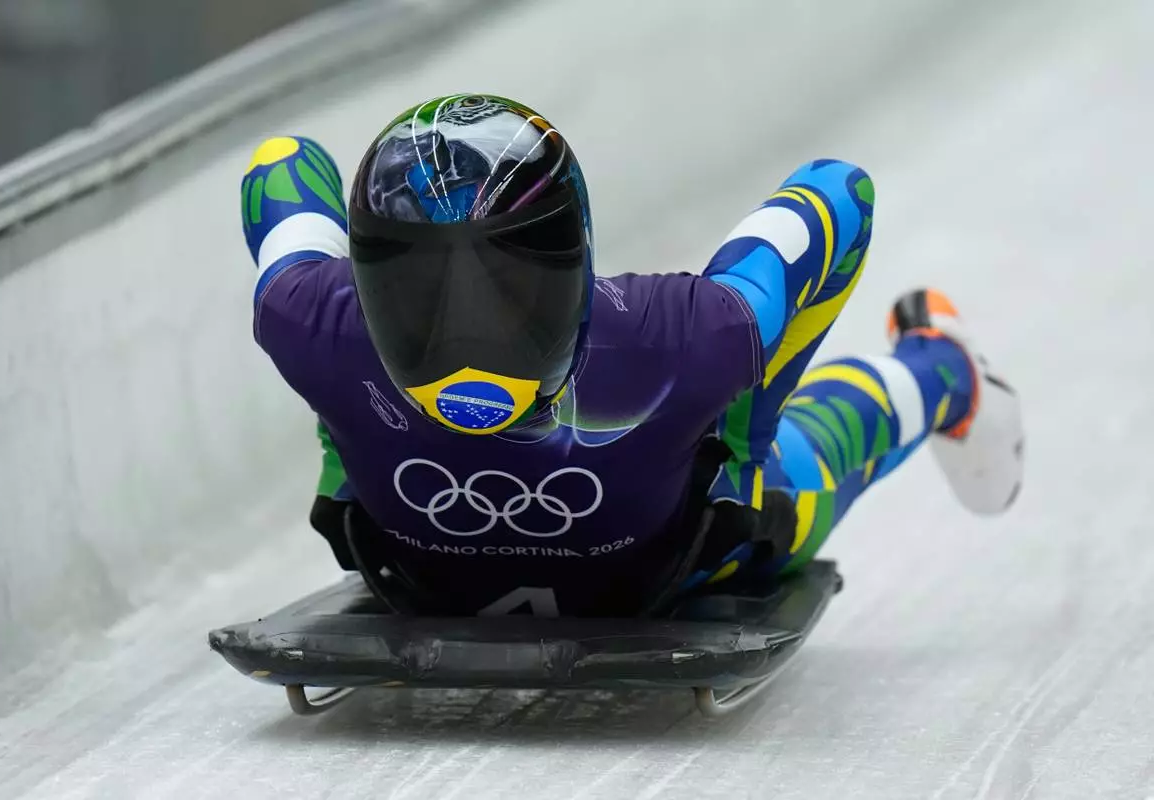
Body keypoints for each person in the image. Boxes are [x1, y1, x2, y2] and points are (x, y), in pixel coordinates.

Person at [239, 94, 1024, 618]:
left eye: (505, 286)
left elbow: (280, 159)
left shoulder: (310, 319)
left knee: (821, 449)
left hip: (681, 561)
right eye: (418, 291)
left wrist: (744, 461)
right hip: (643, 559)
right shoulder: (687, 334)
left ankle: (946, 367)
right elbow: (835, 194)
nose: (464, 336)